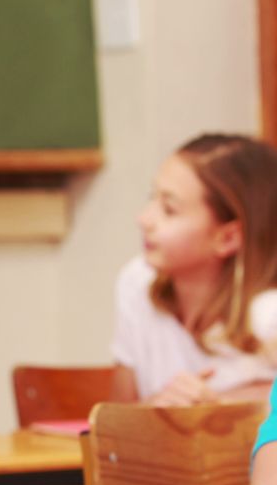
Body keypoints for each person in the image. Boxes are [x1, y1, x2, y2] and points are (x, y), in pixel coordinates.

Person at [109, 134, 277, 406]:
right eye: (152, 198)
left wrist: (219, 409)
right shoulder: (136, 282)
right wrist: (155, 411)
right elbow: (113, 424)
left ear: (227, 238)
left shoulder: (269, 315)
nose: (144, 219)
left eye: (169, 209)